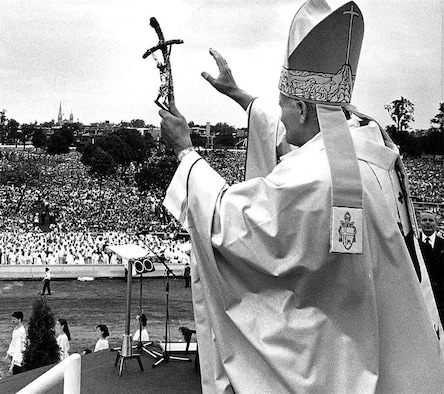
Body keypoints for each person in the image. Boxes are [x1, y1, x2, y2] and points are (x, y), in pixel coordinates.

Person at [159, 1, 444, 392]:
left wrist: (185, 153)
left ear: (306, 108)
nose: (281, 113)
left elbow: (230, 223)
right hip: (389, 339)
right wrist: (239, 95)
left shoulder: (317, 178)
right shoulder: (370, 143)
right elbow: (294, 134)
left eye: (284, 105)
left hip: (338, 359)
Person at [420, 211, 444, 319]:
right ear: (419, 223)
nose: (428, 223)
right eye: (424, 220)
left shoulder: (443, 243)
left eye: (431, 220)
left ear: (436, 223)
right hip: (420, 294)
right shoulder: (413, 243)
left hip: (441, 298)